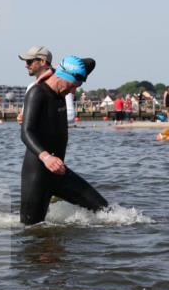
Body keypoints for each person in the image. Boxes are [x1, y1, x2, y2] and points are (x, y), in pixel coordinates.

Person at [20, 56, 107, 224]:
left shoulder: (60, 91)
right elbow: (26, 132)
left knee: (104, 210)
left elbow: (90, 62)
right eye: (73, 86)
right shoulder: (37, 93)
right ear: (63, 77)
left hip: (59, 173)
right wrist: (46, 157)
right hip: (37, 175)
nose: (73, 91)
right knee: (32, 229)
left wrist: (53, 70)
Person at [17, 45, 53, 124]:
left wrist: (32, 118)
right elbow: (25, 113)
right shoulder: (31, 86)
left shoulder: (58, 84)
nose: (26, 66)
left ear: (42, 62)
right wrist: (21, 117)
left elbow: (70, 115)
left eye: (29, 62)